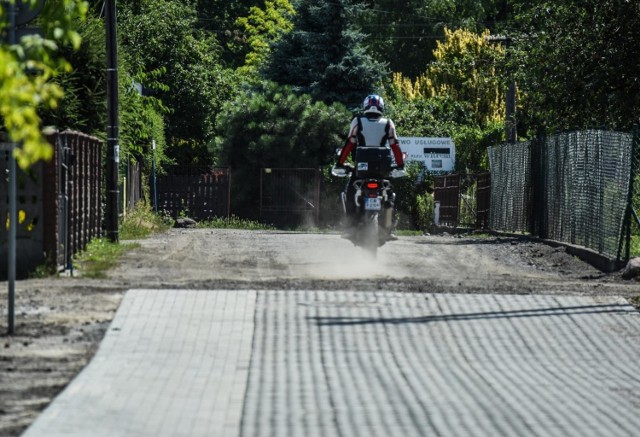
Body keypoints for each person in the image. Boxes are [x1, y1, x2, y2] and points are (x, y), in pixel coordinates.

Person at [336, 94, 405, 238]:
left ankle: (351, 227)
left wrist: (340, 163)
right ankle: (388, 228)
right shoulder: (388, 123)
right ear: (382, 107)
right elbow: (395, 145)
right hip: (382, 170)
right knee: (389, 194)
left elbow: (349, 144)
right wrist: (400, 165)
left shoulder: (358, 121)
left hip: (361, 169)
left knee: (350, 192)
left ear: (365, 106)